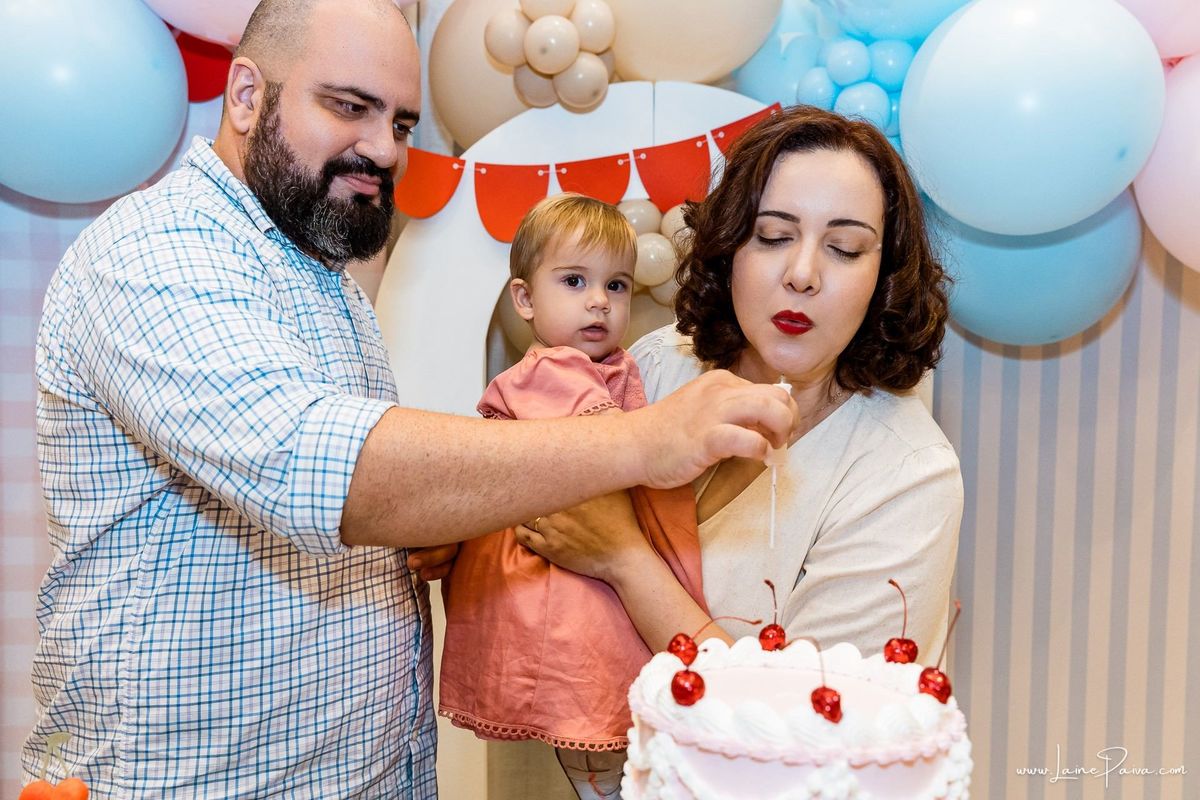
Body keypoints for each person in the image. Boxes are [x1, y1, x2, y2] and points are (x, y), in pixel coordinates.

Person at [22, 1, 797, 797]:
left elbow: (342, 500)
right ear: (247, 96)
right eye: (348, 106)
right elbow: (319, 469)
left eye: (399, 123)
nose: (384, 149)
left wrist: (422, 540)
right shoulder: (159, 251)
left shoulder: (324, 280)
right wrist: (645, 440)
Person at [516, 105, 964, 667]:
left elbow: (811, 709)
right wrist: (473, 540)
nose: (802, 274)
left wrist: (624, 560)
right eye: (773, 236)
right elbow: (547, 486)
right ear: (730, 248)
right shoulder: (657, 363)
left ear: (885, 276)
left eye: (844, 248)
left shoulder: (907, 474)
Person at [439, 194, 707, 800]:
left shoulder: (613, 367)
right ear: (525, 299)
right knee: (595, 707)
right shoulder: (551, 372)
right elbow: (607, 445)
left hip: (594, 556)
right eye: (574, 281)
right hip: (566, 583)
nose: (599, 301)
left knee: (609, 726)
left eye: (616, 285)